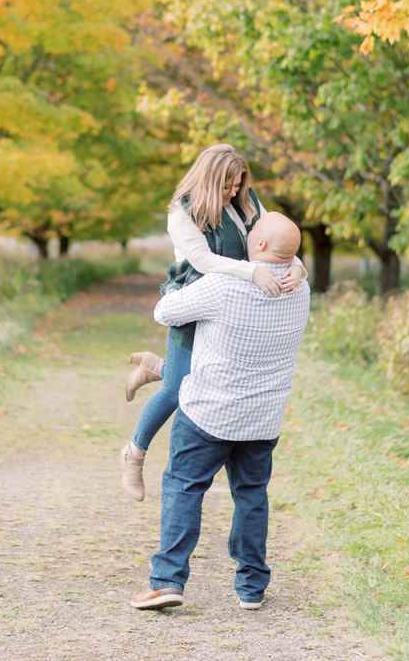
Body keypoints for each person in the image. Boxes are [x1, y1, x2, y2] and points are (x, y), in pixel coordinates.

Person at [130, 211, 310, 611]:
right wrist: (295, 265)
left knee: (183, 486)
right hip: (263, 418)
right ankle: (251, 587)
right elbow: (292, 263)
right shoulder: (301, 289)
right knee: (251, 496)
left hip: (209, 412)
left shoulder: (223, 285)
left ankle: (167, 581)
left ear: (259, 245)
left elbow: (165, 312)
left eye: (251, 232)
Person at [120, 144, 307, 501]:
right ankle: (134, 453)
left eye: (238, 185)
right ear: (209, 180)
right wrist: (254, 272)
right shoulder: (182, 214)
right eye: (228, 186)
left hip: (238, 304)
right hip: (196, 300)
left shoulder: (246, 201)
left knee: (218, 369)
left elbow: (280, 240)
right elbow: (204, 262)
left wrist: (297, 268)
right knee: (177, 390)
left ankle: (155, 366)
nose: (235, 192)